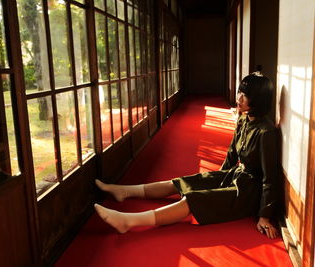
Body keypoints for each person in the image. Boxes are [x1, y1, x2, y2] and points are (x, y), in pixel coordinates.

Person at [94, 72, 279, 239]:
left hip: (249, 193)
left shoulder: (266, 132)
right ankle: (124, 191)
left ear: (259, 100)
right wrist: (216, 179)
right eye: (240, 92)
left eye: (245, 95)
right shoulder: (244, 119)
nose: (239, 98)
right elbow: (232, 153)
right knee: (185, 181)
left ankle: (128, 221)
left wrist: (264, 216)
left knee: (194, 199)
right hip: (235, 176)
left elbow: (270, 178)